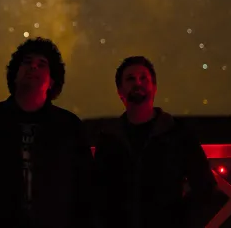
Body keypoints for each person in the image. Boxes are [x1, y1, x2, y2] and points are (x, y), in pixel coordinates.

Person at [0, 38, 94, 228]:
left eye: (41, 64)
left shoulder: (69, 127)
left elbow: (84, 188)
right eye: (27, 62)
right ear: (15, 74)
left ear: (52, 81)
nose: (33, 67)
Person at [93, 56, 217, 228]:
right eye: (131, 79)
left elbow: (205, 187)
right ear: (120, 91)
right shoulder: (108, 139)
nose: (138, 83)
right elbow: (97, 193)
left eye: (143, 78)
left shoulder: (179, 134)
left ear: (155, 88)